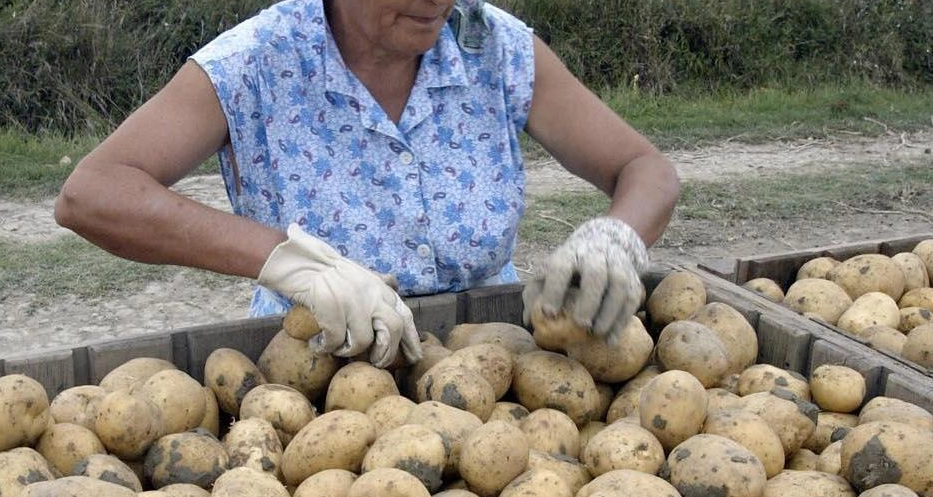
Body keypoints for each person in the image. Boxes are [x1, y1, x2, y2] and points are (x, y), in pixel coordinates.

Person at [55, 0, 679, 369]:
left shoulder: (490, 45)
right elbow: (95, 194)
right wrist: (292, 263)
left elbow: (643, 168)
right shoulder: (260, 60)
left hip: (493, 365)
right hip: (323, 370)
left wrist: (613, 240)